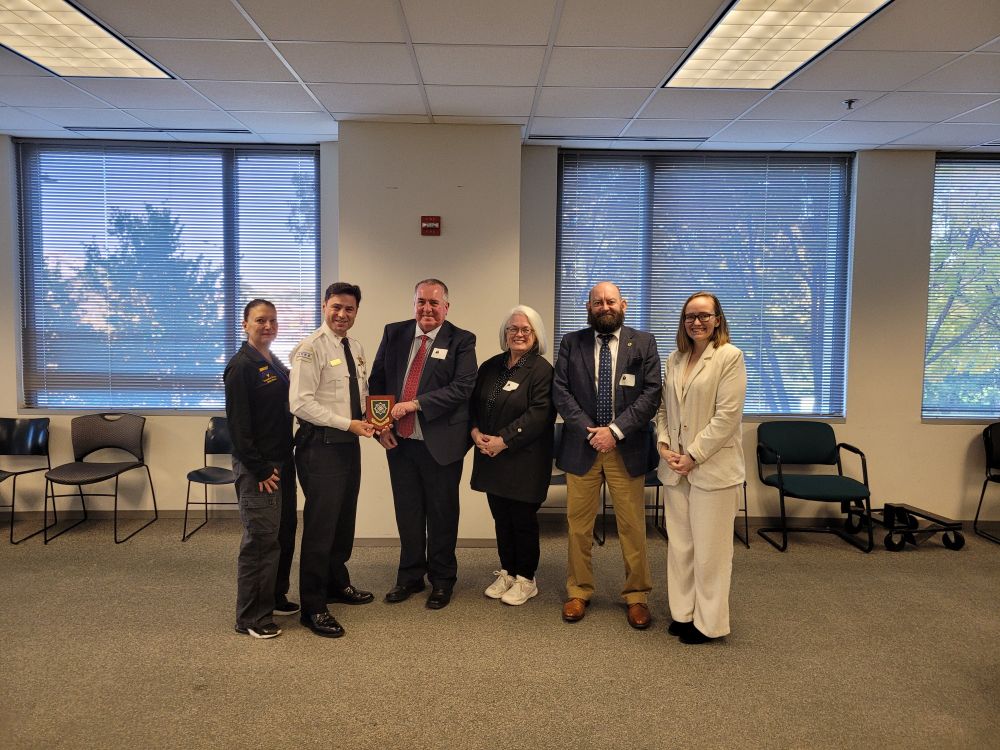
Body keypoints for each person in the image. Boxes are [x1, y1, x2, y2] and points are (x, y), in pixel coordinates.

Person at [552, 281, 662, 629]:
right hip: (582, 446)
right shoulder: (572, 342)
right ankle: (579, 591)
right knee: (578, 527)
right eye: (597, 302)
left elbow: (652, 392)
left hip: (625, 447)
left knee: (632, 527)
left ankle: (637, 596)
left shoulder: (643, 342)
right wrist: (592, 431)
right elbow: (561, 391)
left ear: (623, 304)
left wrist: (614, 431)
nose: (604, 307)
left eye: (610, 301)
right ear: (588, 306)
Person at [369, 278, 478, 610]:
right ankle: (410, 576)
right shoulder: (395, 333)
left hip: (440, 443)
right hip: (400, 441)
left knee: (442, 513)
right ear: (413, 303)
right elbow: (377, 380)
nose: (427, 309)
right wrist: (378, 426)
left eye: (434, 303)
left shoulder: (461, 340)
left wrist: (415, 404)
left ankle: (442, 581)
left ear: (446, 306)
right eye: (421, 302)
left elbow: (463, 387)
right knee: (408, 511)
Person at [655, 291, 746, 645]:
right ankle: (683, 613)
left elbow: (727, 417)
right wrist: (664, 444)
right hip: (675, 468)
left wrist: (692, 454)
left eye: (704, 315)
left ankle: (709, 624)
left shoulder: (729, 357)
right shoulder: (675, 359)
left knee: (711, 551)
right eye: (690, 316)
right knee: (681, 546)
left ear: (717, 319)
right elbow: (663, 410)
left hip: (712, 469)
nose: (696, 321)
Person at [289, 282, 376, 638]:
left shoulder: (354, 347)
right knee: (321, 526)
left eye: (349, 309)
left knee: (343, 521)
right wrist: (348, 423)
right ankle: (312, 607)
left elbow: (362, 395)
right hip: (320, 446)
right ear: (325, 306)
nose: (342, 314)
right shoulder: (311, 349)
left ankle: (335, 583)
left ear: (356, 312)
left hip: (348, 445)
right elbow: (300, 403)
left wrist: (372, 422)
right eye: (336, 307)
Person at [470, 305, 555, 606]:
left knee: (522, 520)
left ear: (535, 334)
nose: (518, 334)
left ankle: (526, 579)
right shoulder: (490, 366)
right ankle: (507, 571)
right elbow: (474, 406)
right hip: (492, 456)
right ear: (505, 334)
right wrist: (475, 431)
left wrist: (503, 440)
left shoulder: (543, 370)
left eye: (525, 329)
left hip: (525, 459)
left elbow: (539, 415)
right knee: (501, 518)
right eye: (513, 329)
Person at [224, 299, 297, 639]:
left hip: (281, 460)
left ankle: (275, 597)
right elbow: (238, 429)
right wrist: (259, 469)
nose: (267, 326)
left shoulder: (272, 360)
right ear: (245, 324)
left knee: (281, 534)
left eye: (272, 321)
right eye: (260, 321)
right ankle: (251, 617)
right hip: (260, 468)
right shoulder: (242, 366)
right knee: (261, 540)